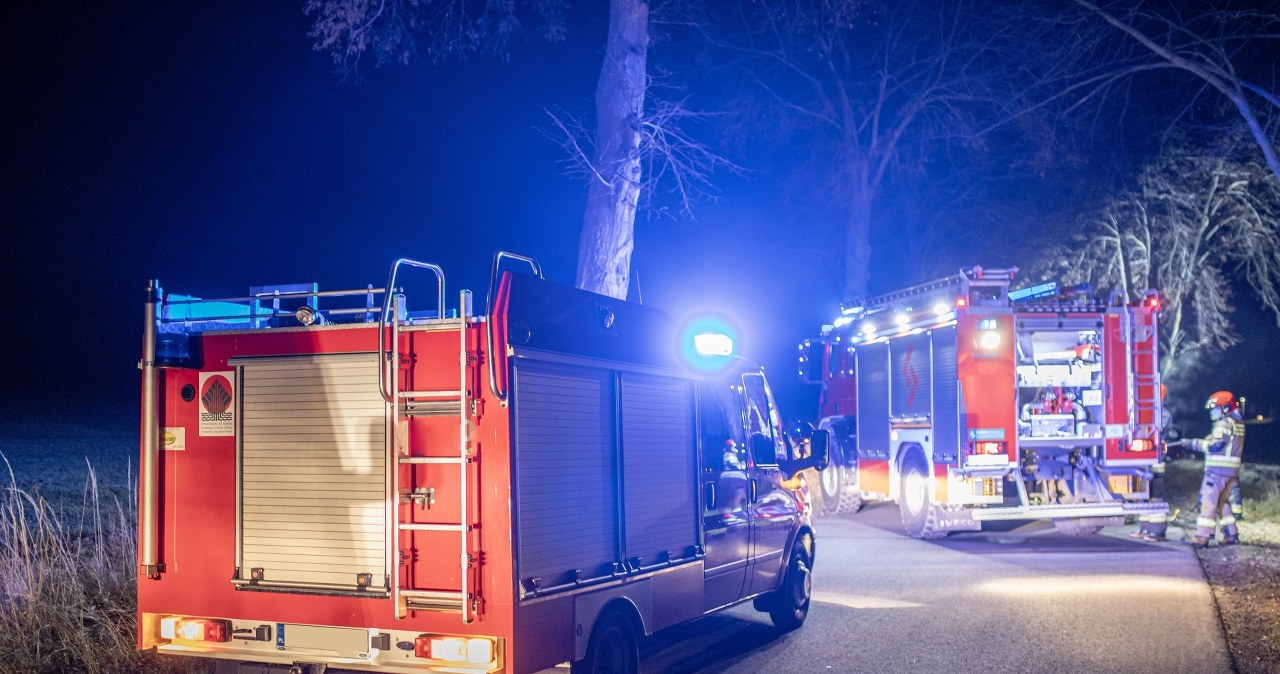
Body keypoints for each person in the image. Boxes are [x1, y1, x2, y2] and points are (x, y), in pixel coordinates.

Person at [1179, 391, 1246, 548]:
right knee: (1223, 503)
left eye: (1215, 408)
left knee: (1208, 502)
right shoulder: (1237, 423)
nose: (1212, 412)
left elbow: (1215, 445)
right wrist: (1192, 442)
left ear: (1225, 408)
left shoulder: (1223, 424)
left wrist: (1192, 444)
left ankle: (1202, 537)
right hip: (1231, 473)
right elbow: (1217, 440)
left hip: (1217, 472)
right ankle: (1231, 534)